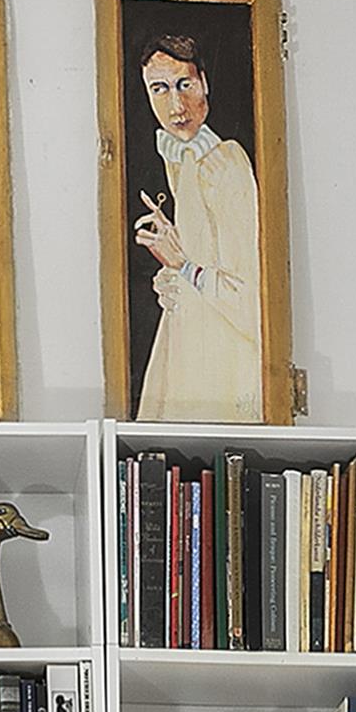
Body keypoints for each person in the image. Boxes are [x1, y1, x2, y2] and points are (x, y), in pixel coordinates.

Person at [130, 22, 263, 422]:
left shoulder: (227, 163)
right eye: (159, 89)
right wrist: (172, 280)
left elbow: (249, 297)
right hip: (189, 353)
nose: (176, 106)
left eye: (184, 85)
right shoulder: (181, 163)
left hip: (224, 363)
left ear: (204, 82)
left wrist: (182, 266)